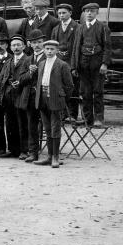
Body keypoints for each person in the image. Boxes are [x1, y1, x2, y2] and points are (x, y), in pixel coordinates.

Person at [72, 2, 112, 128]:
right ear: (84, 13)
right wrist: (74, 66)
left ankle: (99, 119)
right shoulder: (80, 27)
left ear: (97, 13)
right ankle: (87, 120)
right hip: (83, 65)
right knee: (85, 93)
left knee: (98, 92)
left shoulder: (103, 27)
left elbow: (107, 47)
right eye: (87, 11)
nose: (89, 13)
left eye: (92, 11)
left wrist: (105, 63)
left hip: (97, 64)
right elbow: (76, 47)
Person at [35, 39, 73, 168]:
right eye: (47, 49)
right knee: (47, 128)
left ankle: (56, 157)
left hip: (56, 99)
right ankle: (49, 156)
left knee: (55, 128)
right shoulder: (41, 64)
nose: (49, 51)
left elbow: (69, 86)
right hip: (43, 98)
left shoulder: (62, 65)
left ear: (57, 50)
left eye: (52, 49)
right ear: (44, 50)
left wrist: (62, 97)